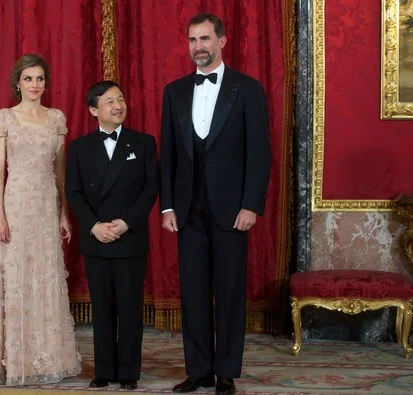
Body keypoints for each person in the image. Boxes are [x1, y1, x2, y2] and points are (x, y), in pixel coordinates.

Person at [160, 13, 272, 395]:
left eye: (205, 39)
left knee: (228, 291)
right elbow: (169, 156)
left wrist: (251, 205)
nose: (199, 47)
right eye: (192, 40)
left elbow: (260, 153)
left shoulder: (248, 89)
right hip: (187, 208)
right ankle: (199, 370)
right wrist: (167, 206)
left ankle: (226, 371)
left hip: (232, 209)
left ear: (222, 41)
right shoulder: (173, 91)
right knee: (192, 291)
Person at [0, 54, 81, 385]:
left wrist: (64, 213)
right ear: (17, 83)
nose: (35, 85)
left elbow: (61, 173)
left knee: (46, 277)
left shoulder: (56, 119)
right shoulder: (5, 118)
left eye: (40, 79)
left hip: (46, 206)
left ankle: (49, 357)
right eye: (29, 79)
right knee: (18, 277)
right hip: (17, 205)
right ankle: (14, 358)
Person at [65, 81, 158, 391]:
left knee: (130, 308)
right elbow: (74, 192)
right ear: (94, 110)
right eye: (109, 102)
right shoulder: (79, 147)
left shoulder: (143, 143)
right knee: (102, 309)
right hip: (96, 239)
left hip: (129, 238)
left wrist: (126, 221)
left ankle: (129, 371)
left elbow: (150, 188)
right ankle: (104, 370)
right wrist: (93, 225)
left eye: (121, 99)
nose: (118, 106)